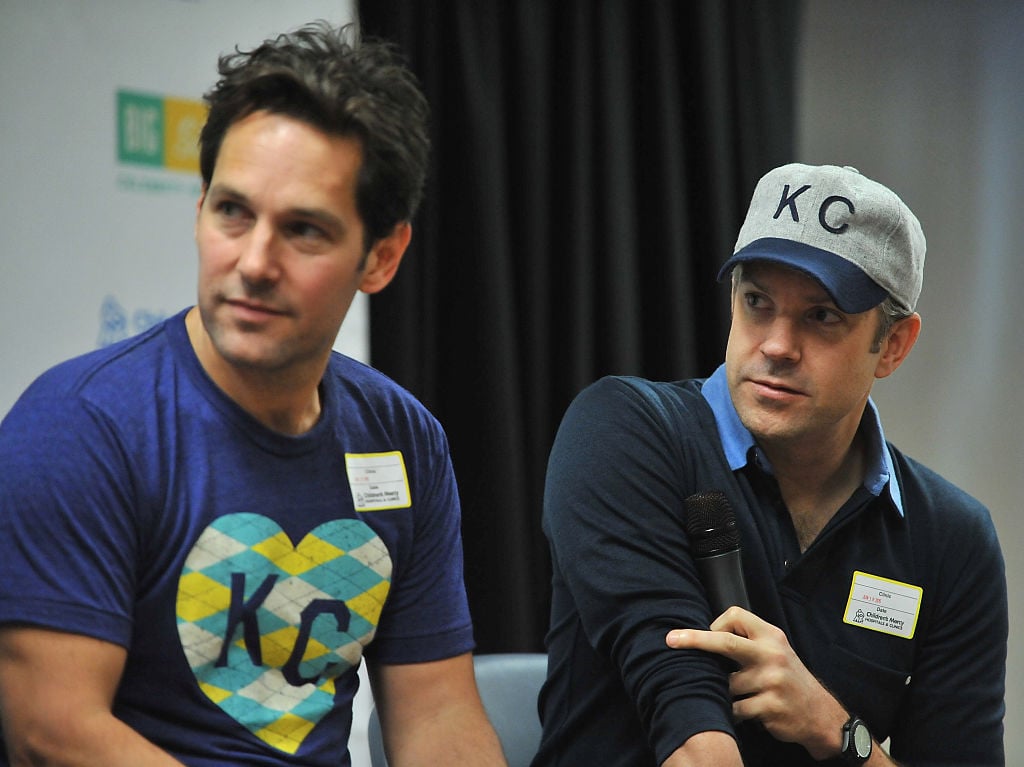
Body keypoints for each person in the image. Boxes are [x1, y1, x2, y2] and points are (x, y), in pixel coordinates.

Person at [0, 21, 506, 767]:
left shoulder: (402, 439)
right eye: (233, 212)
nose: (254, 261)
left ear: (383, 256)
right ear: (200, 206)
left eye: (303, 230)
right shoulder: (79, 425)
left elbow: (437, 717)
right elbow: (54, 732)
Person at [532, 163, 1007, 766]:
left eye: (821, 316)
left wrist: (835, 729)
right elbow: (692, 732)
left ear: (892, 345)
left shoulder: (952, 539)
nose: (777, 345)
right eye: (757, 302)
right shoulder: (625, 430)